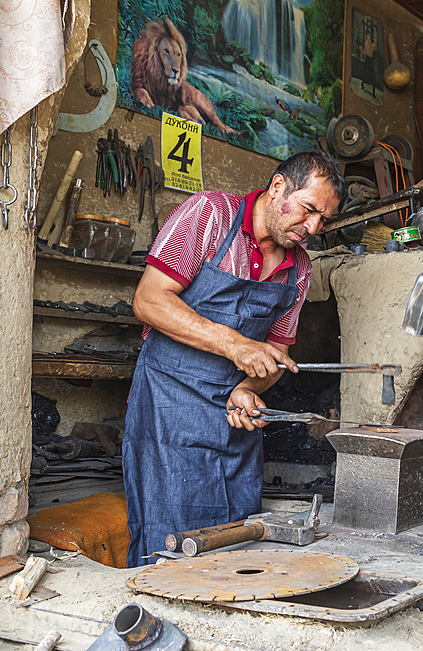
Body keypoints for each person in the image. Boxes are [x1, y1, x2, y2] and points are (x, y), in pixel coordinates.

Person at [122, 152, 345, 567]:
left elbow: (276, 356)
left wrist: (247, 388)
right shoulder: (209, 215)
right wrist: (236, 345)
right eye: (309, 210)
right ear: (278, 187)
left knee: (236, 543)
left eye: (323, 221)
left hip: (234, 424)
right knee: (167, 541)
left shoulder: (299, 270)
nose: (312, 228)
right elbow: (149, 300)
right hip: (170, 409)